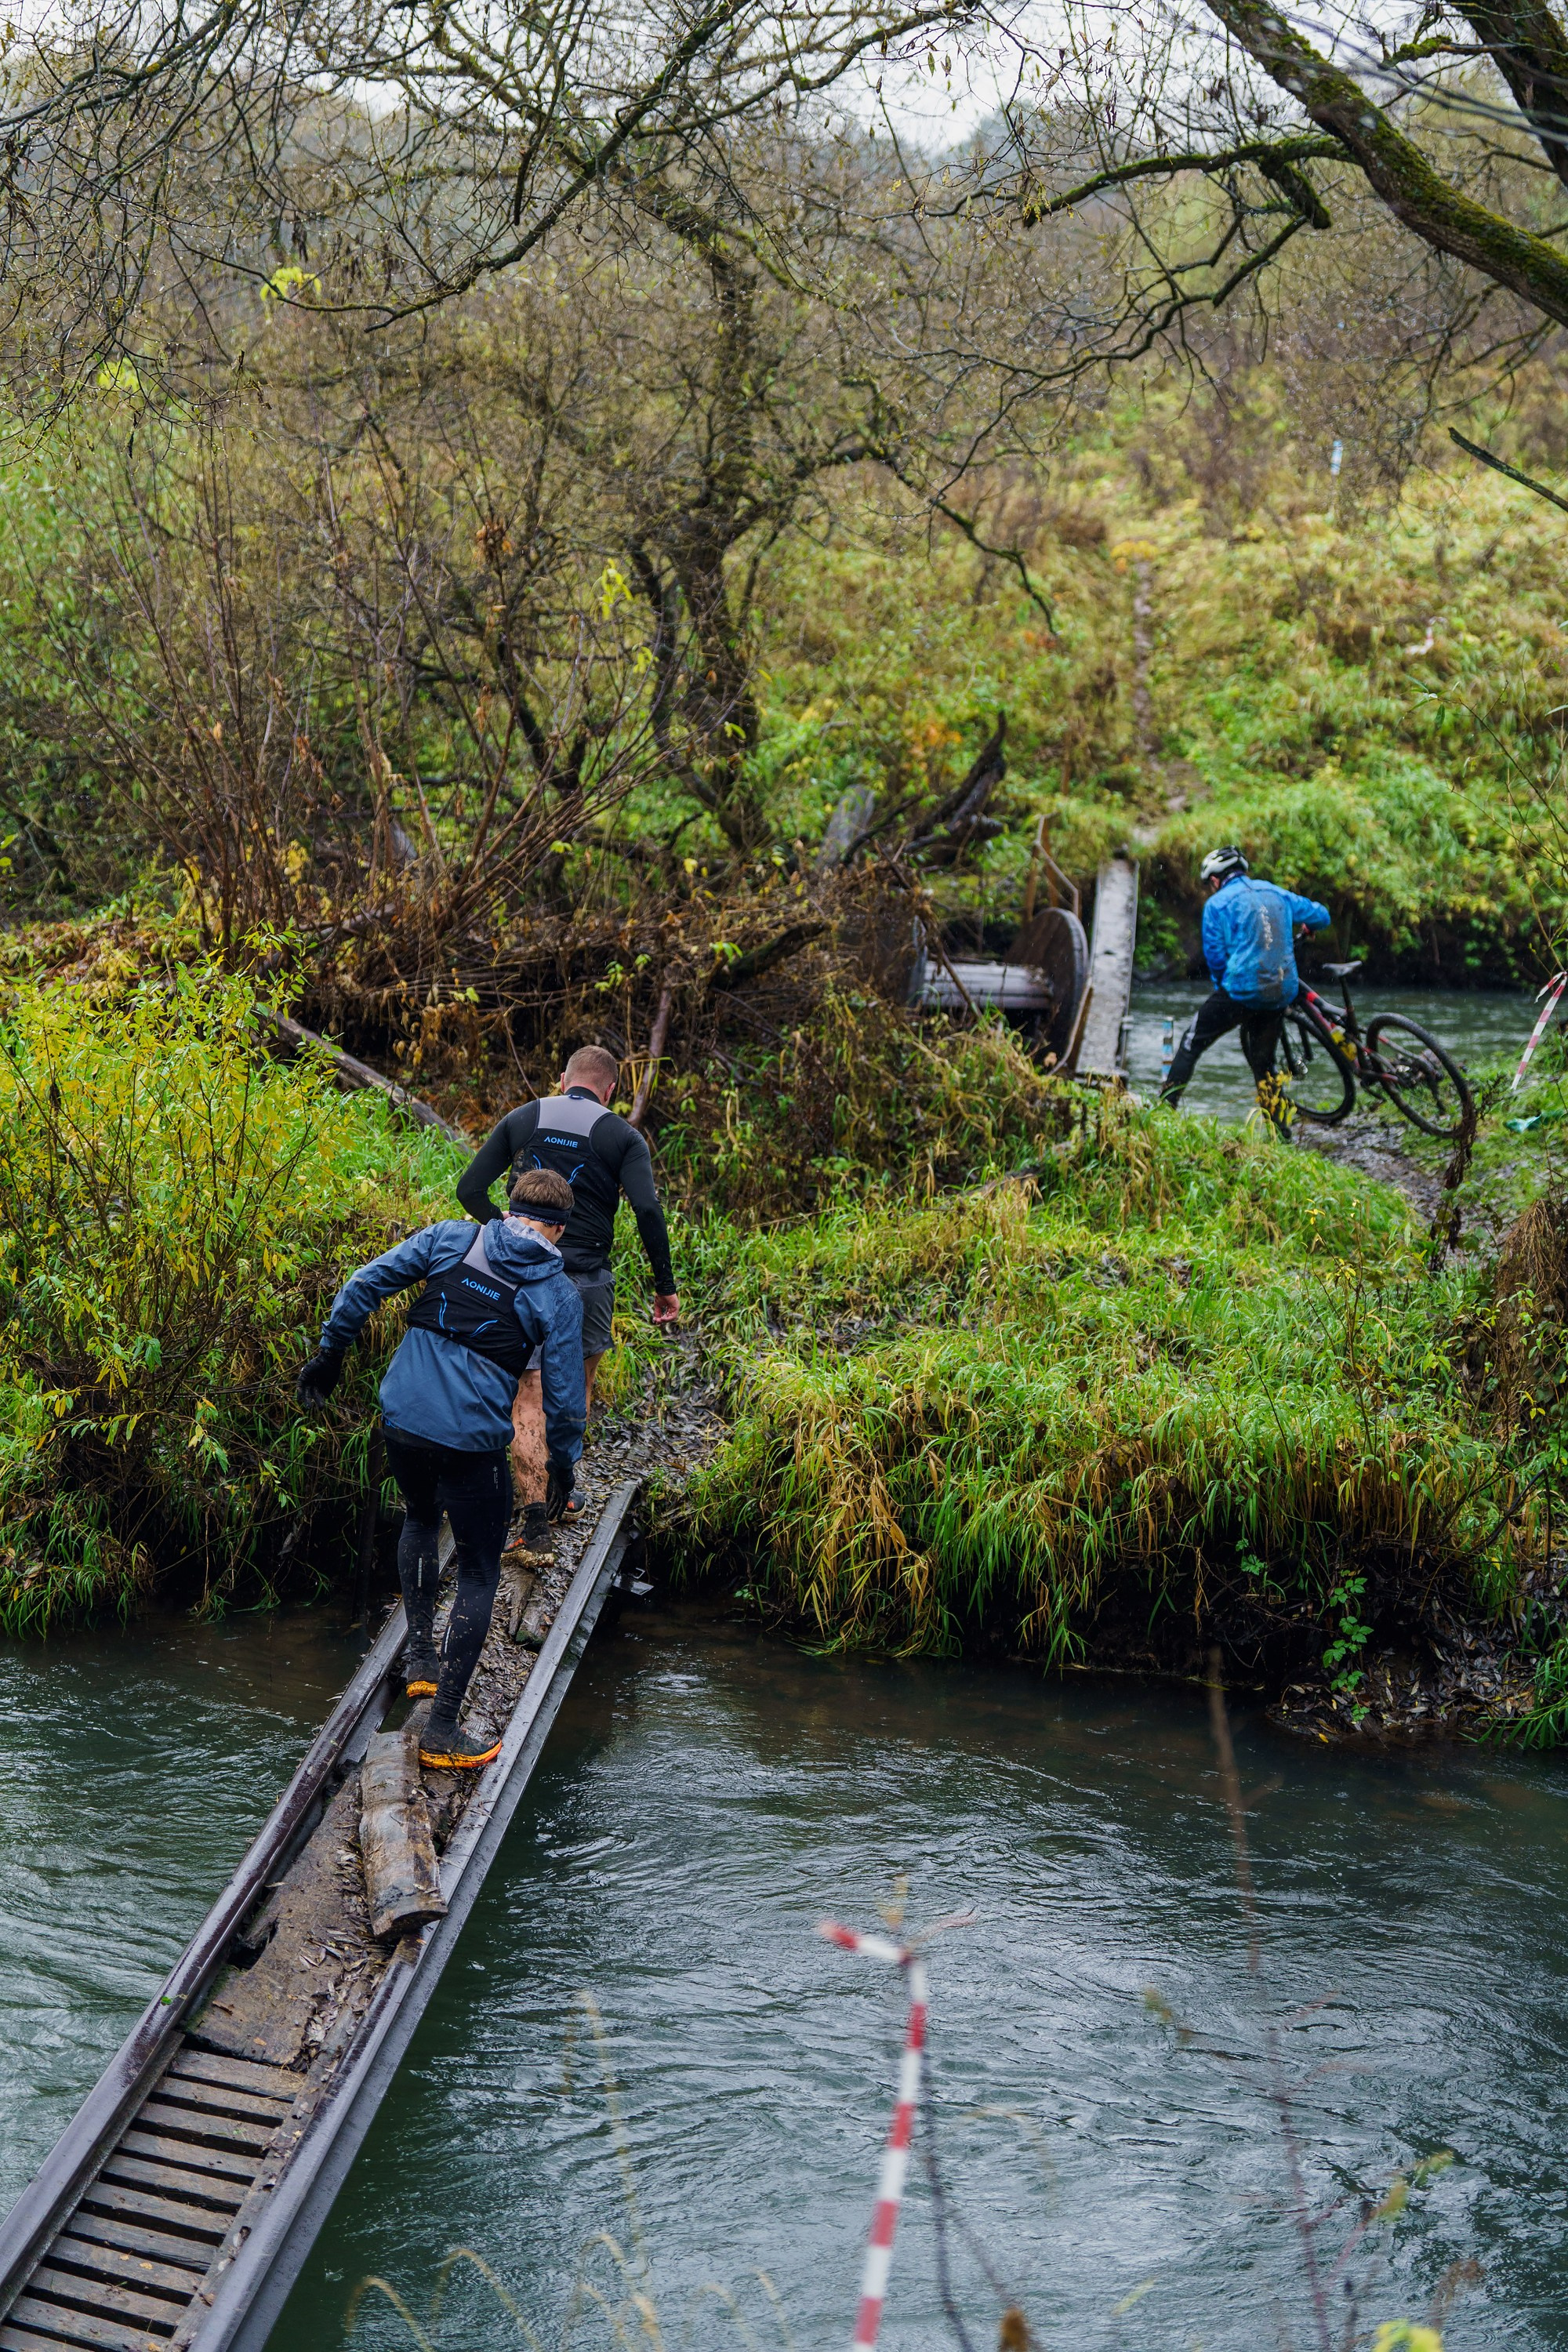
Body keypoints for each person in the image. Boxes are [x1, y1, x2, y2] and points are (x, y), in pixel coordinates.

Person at [296, 1167, 585, 1770]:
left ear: (509, 1209)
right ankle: (443, 1730)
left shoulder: (453, 1237)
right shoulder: (557, 1294)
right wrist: (564, 1464)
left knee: (422, 1519)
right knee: (480, 1571)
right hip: (471, 1443)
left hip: (402, 1419)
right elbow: (561, 1394)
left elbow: (362, 1286)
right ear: (558, 1229)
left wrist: (330, 1356)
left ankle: (421, 1661)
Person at [456, 1044, 680, 1568]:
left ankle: (532, 1519)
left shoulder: (524, 1117)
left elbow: (469, 1190)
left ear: (563, 1080)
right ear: (611, 1090)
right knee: (574, 1388)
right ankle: (566, 1493)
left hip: (519, 1280)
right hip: (586, 1282)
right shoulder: (623, 1136)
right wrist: (664, 1285)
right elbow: (647, 1207)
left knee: (526, 1396)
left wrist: (505, 1232)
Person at [1160, 847, 1333, 1128]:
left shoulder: (1217, 905)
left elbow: (1215, 959)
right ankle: (1280, 1131)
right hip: (1280, 991)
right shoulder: (1276, 892)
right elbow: (1322, 917)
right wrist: (1308, 925)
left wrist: (1223, 991)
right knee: (1264, 1064)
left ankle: (1164, 1113)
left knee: (1191, 1044)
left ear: (1216, 880)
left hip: (1240, 992)